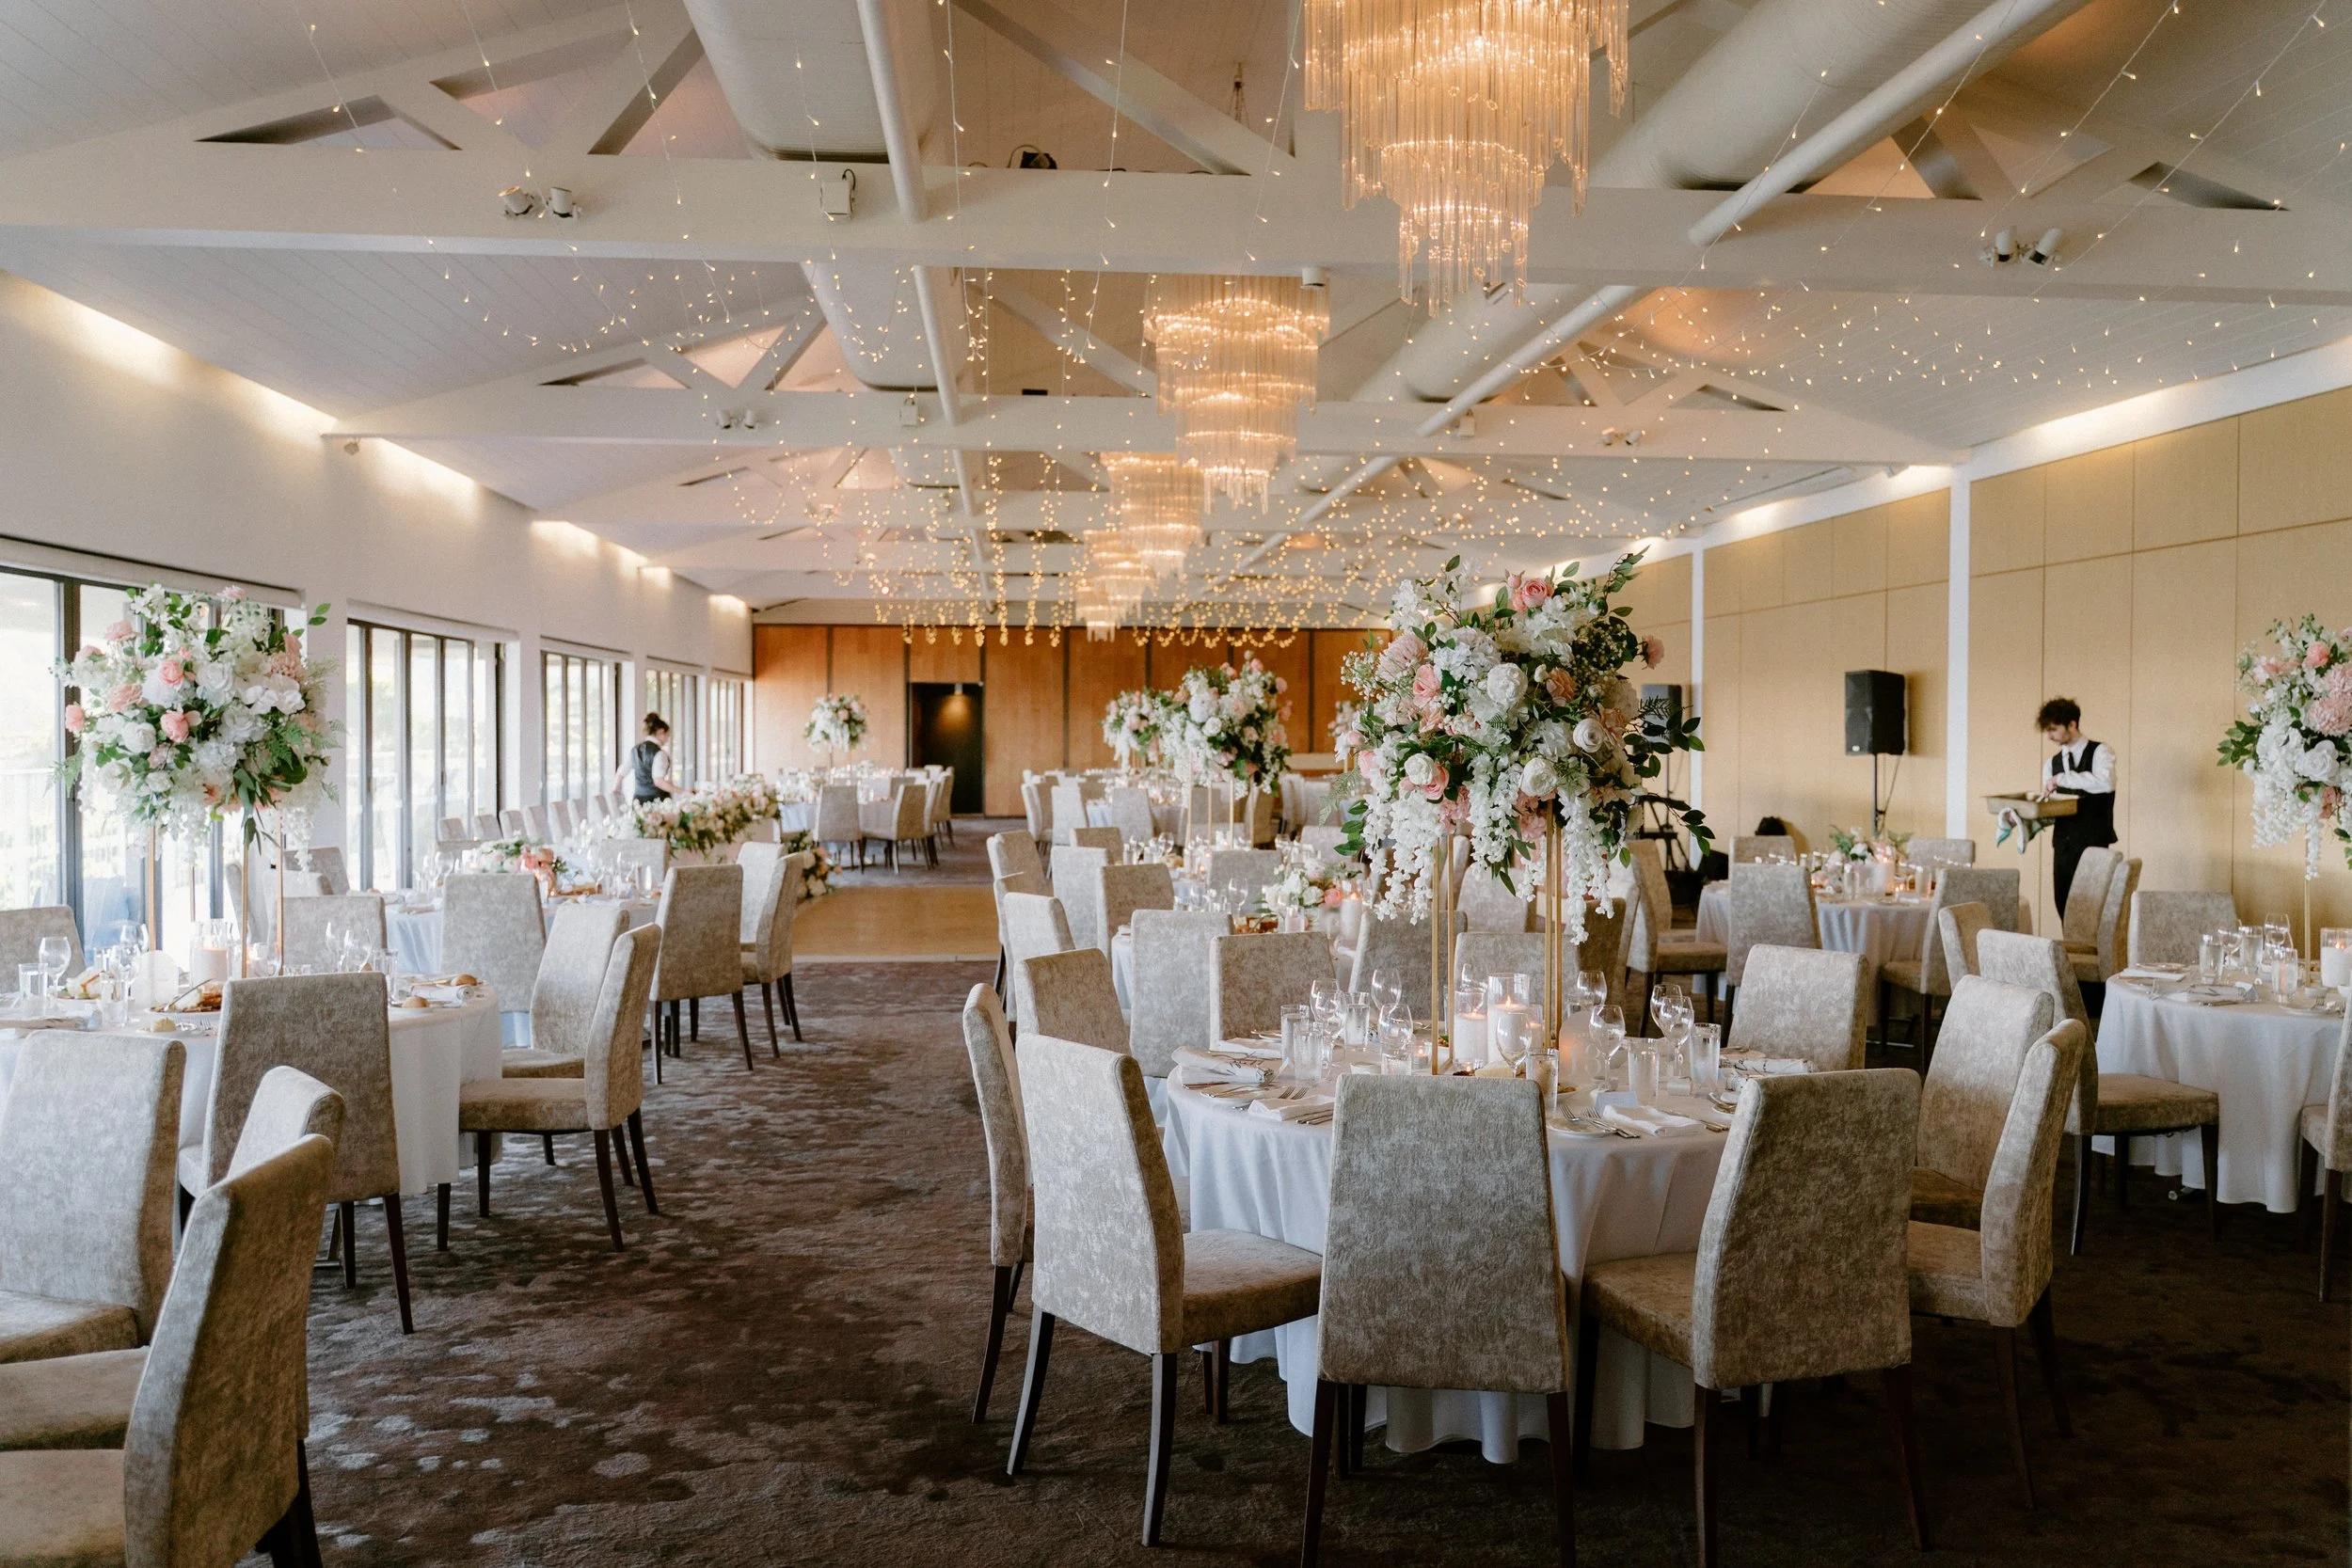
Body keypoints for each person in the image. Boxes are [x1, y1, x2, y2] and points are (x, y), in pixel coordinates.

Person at [2034, 697, 2116, 916]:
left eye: (2053, 729)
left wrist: (2062, 779)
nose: (2049, 736)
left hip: (2095, 843)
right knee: (2064, 907)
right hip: (2063, 847)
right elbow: (2050, 809)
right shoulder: (2051, 764)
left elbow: (2106, 783)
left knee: (2096, 911)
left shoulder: (2101, 752)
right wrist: (2019, 818)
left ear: (2072, 724)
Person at [616, 712, 678, 804]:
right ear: (661, 732)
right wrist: (682, 791)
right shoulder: (659, 753)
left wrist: (615, 789)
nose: (667, 739)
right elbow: (658, 781)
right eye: (667, 735)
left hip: (638, 801)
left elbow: (621, 772)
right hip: (657, 801)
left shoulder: (635, 750)